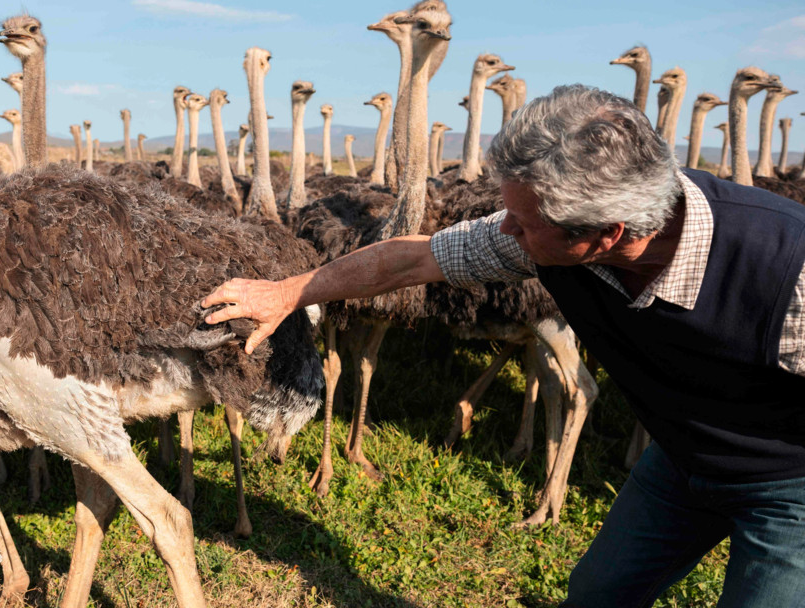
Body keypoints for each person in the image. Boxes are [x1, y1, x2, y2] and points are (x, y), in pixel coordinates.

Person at [201, 84, 805, 607]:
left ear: (605, 235)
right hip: (680, 457)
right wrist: (287, 292)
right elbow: (412, 260)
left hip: (787, 486)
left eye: (524, 222)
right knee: (598, 593)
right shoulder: (542, 234)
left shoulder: (788, 271)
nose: (506, 230)